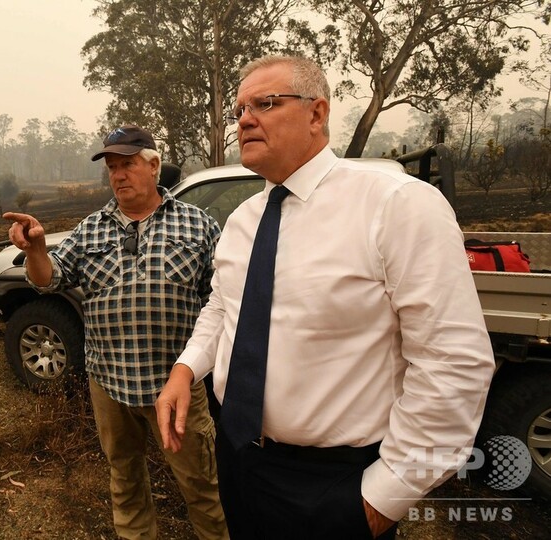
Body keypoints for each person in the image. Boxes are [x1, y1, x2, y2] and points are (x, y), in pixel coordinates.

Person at [156, 55, 495, 539]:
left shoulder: (395, 204)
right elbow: (223, 308)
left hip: (335, 481)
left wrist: (383, 497)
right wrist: (186, 368)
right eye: (239, 110)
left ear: (317, 114)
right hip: (239, 461)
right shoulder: (242, 221)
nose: (245, 119)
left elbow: (453, 363)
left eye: (266, 103)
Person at [4, 125, 228, 540]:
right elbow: (47, 280)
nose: (119, 175)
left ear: (154, 166)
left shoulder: (198, 226)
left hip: (176, 384)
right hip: (108, 382)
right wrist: (35, 249)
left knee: (202, 485)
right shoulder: (91, 228)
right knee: (125, 481)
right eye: (112, 168)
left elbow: (219, 302)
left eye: (127, 164)